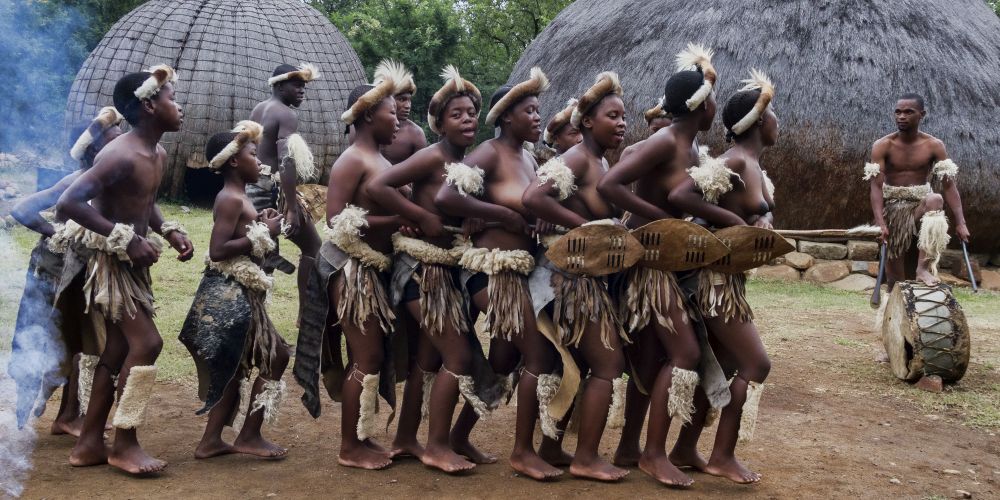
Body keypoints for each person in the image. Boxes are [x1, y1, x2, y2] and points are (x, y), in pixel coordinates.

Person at [597, 44, 730, 488]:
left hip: (666, 263)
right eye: (712, 99)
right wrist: (659, 220)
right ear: (701, 105)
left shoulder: (689, 147)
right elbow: (610, 184)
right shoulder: (666, 141)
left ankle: (629, 446)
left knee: (652, 359)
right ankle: (654, 454)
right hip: (646, 267)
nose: (716, 106)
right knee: (685, 354)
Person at [369, 66, 506, 473]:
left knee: (428, 360)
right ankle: (437, 446)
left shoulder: (466, 162)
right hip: (419, 270)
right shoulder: (432, 156)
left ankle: (407, 438)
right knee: (458, 355)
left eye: (471, 113)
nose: (467, 120)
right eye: (456, 114)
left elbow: (453, 211)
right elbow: (380, 187)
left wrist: (470, 225)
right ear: (440, 123)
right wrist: (416, 216)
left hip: (447, 270)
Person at [59, 65, 194, 474]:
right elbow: (70, 203)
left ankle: (88, 444)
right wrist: (126, 239)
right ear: (150, 104)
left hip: (132, 265)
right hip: (111, 265)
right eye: (172, 98)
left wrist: (166, 230)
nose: (180, 105)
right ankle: (124, 443)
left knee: (119, 348)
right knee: (148, 343)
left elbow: (142, 199)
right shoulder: (119, 153)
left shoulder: (157, 152)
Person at [434, 68, 567, 481]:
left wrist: (536, 223)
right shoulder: (490, 152)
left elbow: (530, 212)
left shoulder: (528, 158)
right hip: (489, 276)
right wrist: (502, 213)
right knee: (540, 356)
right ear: (506, 116)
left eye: (538, 110)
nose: (537, 117)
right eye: (530, 110)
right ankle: (522, 452)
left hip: (520, 274)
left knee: (505, 360)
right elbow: (446, 197)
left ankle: (458, 436)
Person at [667, 69, 779, 484]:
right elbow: (683, 196)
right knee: (756, 363)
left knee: (729, 361)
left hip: (729, 280)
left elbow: (756, 210)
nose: (777, 122)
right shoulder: (732, 160)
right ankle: (721, 456)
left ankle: (683, 447)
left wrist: (759, 218)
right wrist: (733, 219)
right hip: (713, 280)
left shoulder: (750, 163)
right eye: (773, 114)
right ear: (759, 119)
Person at [522, 71, 630, 482]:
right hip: (565, 279)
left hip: (584, 279)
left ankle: (552, 446)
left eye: (623, 116)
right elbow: (532, 197)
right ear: (587, 122)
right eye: (612, 116)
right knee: (609, 364)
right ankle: (585, 457)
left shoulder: (599, 160)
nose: (621, 123)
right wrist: (581, 228)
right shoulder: (577, 158)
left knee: (581, 364)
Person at [293, 76, 406, 470]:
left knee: (371, 356)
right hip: (349, 268)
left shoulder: (382, 159)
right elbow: (337, 217)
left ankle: (361, 437)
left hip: (373, 269)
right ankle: (349, 447)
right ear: (369, 115)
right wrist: (400, 218)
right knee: (366, 355)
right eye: (391, 112)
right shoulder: (352, 159)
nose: (398, 119)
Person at [179, 121, 290, 460]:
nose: (260, 162)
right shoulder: (230, 198)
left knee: (234, 365)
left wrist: (264, 225)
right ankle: (249, 435)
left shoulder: (240, 197)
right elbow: (217, 249)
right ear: (233, 161)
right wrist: (261, 233)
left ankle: (211, 441)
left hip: (240, 293)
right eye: (253, 155)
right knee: (277, 356)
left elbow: (246, 237)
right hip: (231, 294)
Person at [9, 107, 123, 436]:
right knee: (64, 337)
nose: (120, 141)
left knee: (81, 338)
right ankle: (65, 414)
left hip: (85, 271)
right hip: (55, 271)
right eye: (113, 136)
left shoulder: (111, 180)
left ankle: (69, 413)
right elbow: (20, 208)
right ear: (94, 149)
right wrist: (56, 234)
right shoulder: (75, 182)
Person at [864, 93, 968, 287]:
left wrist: (961, 223)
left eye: (908, 112)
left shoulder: (934, 145)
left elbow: (949, 185)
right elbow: (876, 187)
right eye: (898, 112)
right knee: (895, 280)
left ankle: (923, 269)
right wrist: (880, 224)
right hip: (893, 210)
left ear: (922, 114)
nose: (901, 116)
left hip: (921, 204)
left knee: (935, 199)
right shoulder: (882, 145)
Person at [249, 63, 323, 321]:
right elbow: (286, 161)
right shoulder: (286, 114)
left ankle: (259, 324)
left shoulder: (259, 108)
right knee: (310, 246)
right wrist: (291, 207)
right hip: (271, 191)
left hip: (253, 188)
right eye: (297, 85)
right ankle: (304, 317)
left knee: (263, 258)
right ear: (280, 85)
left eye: (304, 86)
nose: (302, 91)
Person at [378, 59, 428, 164]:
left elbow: (421, 173)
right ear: (387, 98)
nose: (408, 106)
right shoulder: (364, 129)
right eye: (402, 99)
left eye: (409, 100)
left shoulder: (416, 134)